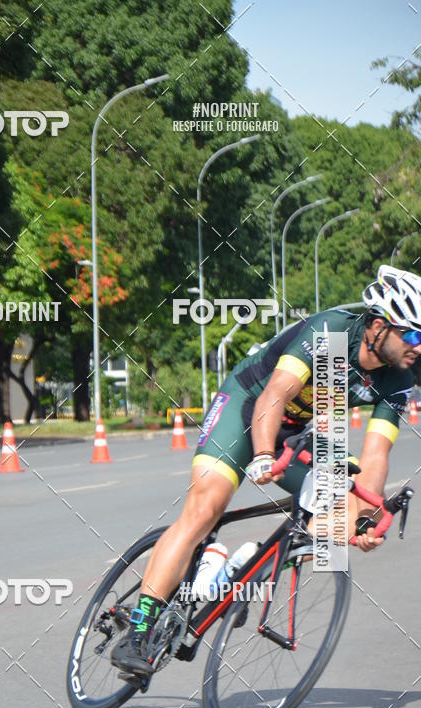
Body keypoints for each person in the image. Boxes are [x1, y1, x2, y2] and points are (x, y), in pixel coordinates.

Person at [112, 264, 421, 675]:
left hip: (305, 427)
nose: (418, 346)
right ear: (379, 327)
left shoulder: (402, 376)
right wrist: (260, 454)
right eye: (413, 334)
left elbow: (376, 453)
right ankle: (140, 625)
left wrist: (363, 518)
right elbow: (275, 394)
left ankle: (241, 570)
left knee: (334, 521)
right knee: (206, 508)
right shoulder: (331, 333)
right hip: (248, 406)